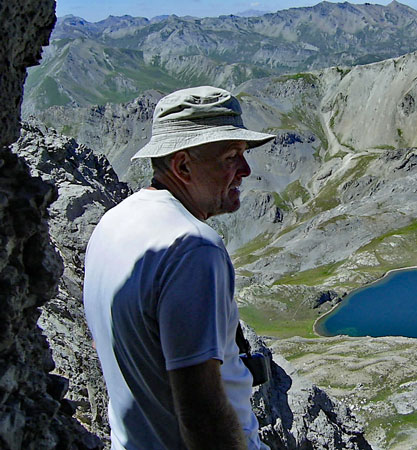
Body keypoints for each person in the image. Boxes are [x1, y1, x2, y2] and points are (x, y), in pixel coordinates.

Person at [83, 86, 275, 450]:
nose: (246, 170)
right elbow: (202, 413)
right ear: (183, 166)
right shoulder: (193, 248)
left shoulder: (111, 224)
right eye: (232, 156)